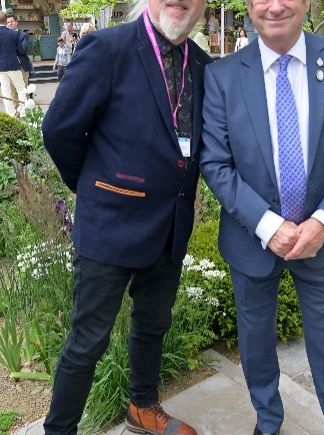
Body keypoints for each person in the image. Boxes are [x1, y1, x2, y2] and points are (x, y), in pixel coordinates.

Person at [200, 0, 324, 433]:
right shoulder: (222, 76)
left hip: (323, 238)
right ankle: (269, 421)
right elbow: (216, 164)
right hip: (252, 237)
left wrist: (322, 223)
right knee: (256, 343)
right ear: (248, 6)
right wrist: (268, 225)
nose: (275, 6)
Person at [41, 0, 210, 432]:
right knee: (87, 342)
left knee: (154, 325)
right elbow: (59, 130)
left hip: (170, 226)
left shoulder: (205, 66)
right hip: (110, 226)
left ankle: (142, 407)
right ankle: (59, 430)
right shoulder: (106, 48)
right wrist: (93, 187)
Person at [0, 11, 27, 117]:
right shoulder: (14, 34)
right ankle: (23, 111)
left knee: (6, 91)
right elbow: (21, 51)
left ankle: (10, 113)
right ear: (6, 21)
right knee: (21, 88)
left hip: (1, 67)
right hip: (14, 65)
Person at [6, 15, 33, 90]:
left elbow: (23, 50)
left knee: (23, 90)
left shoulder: (23, 35)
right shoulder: (4, 36)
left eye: (12, 21)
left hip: (21, 66)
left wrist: (9, 49)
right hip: (9, 67)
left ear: (16, 22)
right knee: (12, 91)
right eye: (8, 22)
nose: (10, 23)